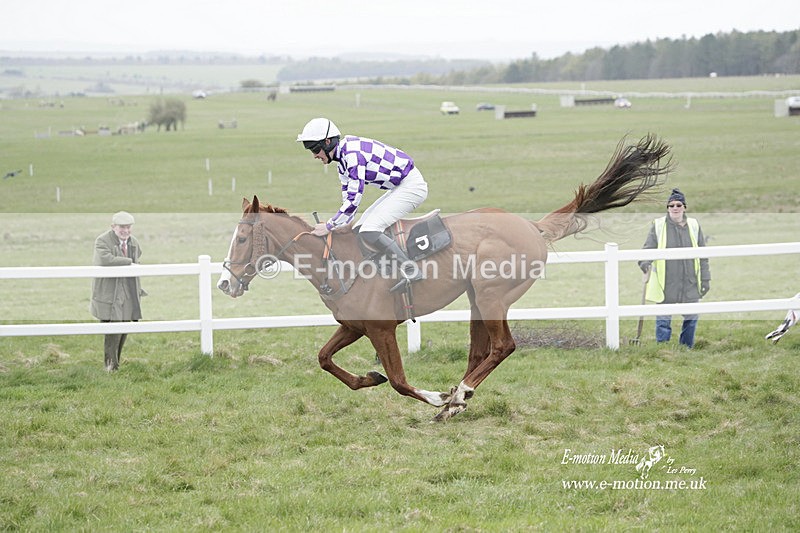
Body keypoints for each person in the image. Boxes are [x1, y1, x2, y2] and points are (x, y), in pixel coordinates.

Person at [296, 117, 428, 289]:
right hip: (399, 186)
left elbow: (354, 199)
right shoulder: (342, 163)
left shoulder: (352, 155)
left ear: (328, 142)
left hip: (411, 186)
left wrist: (329, 226)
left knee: (370, 229)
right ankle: (387, 271)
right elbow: (348, 202)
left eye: (315, 149)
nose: (314, 156)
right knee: (360, 228)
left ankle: (410, 270)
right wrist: (335, 225)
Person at [638, 189, 710, 348]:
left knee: (691, 317)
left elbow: (703, 255)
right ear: (667, 208)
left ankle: (686, 348)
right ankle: (663, 349)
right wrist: (644, 263)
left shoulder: (694, 225)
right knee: (663, 319)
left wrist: (706, 278)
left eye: (678, 205)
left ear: (684, 207)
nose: (675, 208)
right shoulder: (658, 226)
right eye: (671, 205)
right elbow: (647, 249)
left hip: (690, 282)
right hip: (667, 282)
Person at [90, 211, 144, 371]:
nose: (125, 230)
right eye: (122, 227)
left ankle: (115, 363)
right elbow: (104, 260)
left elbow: (138, 257)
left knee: (124, 327)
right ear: (113, 227)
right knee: (112, 329)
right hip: (109, 292)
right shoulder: (102, 241)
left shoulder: (133, 242)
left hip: (128, 291)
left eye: (128, 227)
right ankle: (110, 366)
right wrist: (129, 262)